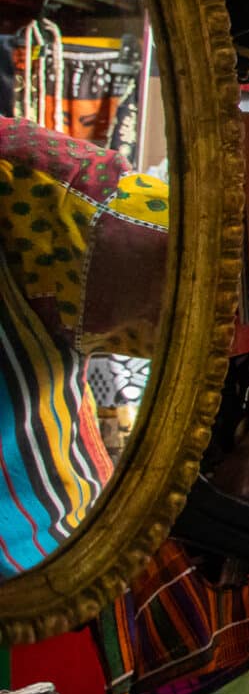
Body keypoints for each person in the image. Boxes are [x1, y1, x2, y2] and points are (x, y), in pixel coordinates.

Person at [0, 118, 167, 578]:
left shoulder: (21, 173)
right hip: (56, 562)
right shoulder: (21, 171)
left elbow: (210, 271)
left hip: (60, 562)